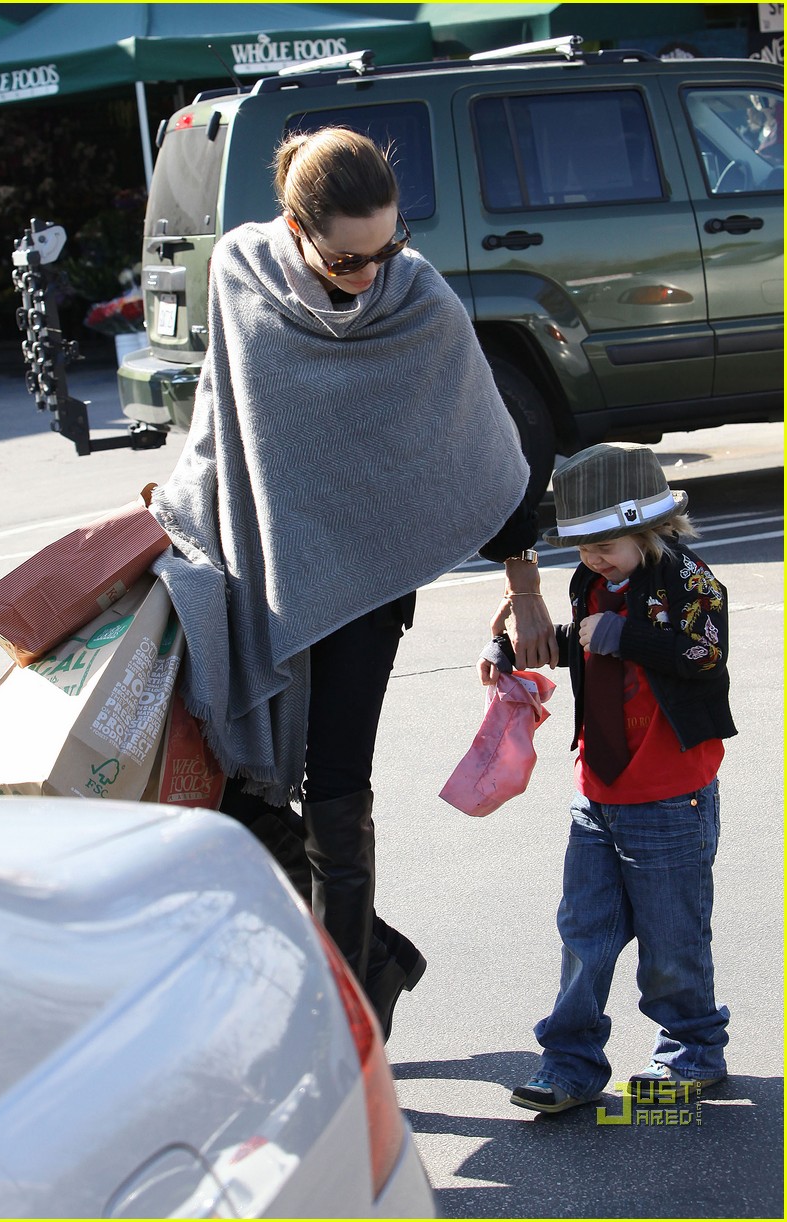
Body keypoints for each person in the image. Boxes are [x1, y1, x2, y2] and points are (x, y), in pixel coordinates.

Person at [150, 126, 555, 1038]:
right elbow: (222, 421)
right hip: (264, 574)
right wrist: (178, 514)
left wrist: (525, 583)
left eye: (387, 250)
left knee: (336, 792)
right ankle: (373, 956)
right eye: (345, 258)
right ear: (295, 225)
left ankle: (344, 1029)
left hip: (368, 592)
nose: (369, 274)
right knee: (244, 795)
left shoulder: (418, 300)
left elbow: (487, 449)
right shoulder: (240, 273)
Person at [478, 443, 736, 1112]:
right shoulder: (592, 584)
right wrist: (510, 652)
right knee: (581, 935)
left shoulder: (688, 579)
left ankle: (691, 1053)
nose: (592, 557)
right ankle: (568, 1063)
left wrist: (620, 635)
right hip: (596, 791)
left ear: (653, 529)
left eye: (607, 543)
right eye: (582, 544)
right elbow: (588, 644)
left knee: (671, 939)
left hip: (667, 794)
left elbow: (702, 652)